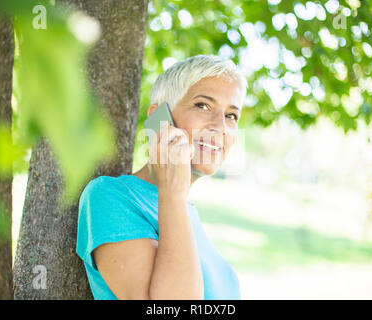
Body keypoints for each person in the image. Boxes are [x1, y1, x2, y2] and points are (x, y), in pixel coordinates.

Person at [76, 54, 247, 300]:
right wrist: (173, 193)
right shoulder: (109, 196)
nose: (220, 126)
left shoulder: (188, 213)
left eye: (231, 115)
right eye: (203, 105)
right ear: (159, 118)